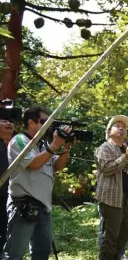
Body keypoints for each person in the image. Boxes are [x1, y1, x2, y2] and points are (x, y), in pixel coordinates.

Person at [3, 107, 74, 259]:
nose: (49, 125)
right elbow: (33, 164)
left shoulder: (43, 145)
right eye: (44, 121)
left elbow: (58, 166)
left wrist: (66, 147)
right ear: (31, 122)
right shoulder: (20, 140)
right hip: (23, 204)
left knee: (42, 252)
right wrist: (55, 144)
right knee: (15, 253)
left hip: (44, 207)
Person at [94, 115, 128, 260]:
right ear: (109, 131)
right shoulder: (104, 148)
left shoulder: (124, 150)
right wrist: (125, 156)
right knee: (110, 238)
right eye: (117, 126)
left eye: (124, 127)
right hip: (111, 199)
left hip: (127, 199)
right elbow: (107, 169)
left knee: (123, 237)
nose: (121, 128)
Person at [0, 116, 14, 250]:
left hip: (7, 197)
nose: (9, 123)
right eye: (4, 121)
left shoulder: (13, 144)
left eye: (10, 121)